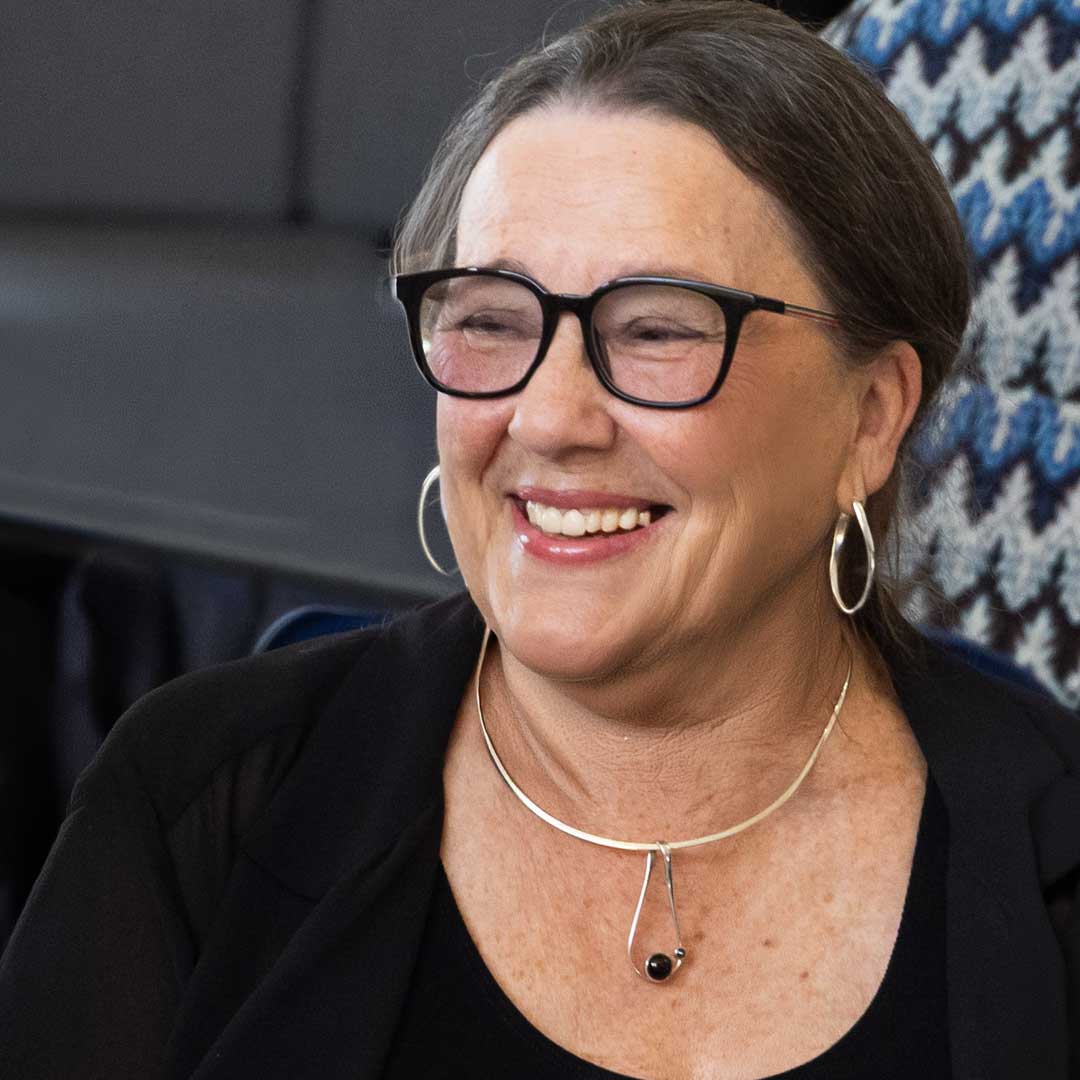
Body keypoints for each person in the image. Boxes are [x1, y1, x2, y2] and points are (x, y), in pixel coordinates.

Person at [2, 1, 1078, 1076]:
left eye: (656, 328)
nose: (551, 418)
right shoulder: (192, 806)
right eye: (490, 320)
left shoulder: (1054, 861)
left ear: (872, 416)